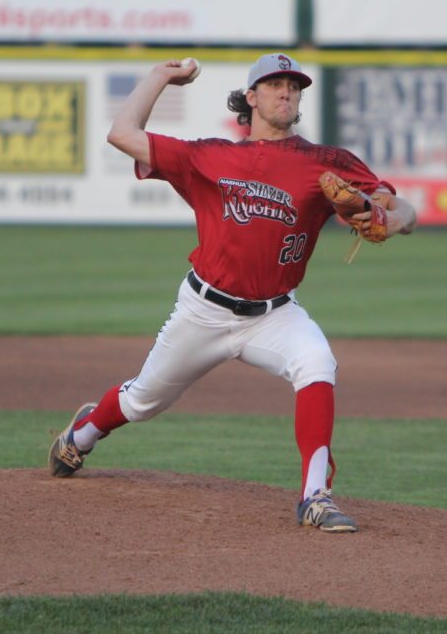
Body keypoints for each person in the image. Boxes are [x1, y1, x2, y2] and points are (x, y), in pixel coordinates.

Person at [48, 53, 417, 532]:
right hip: (203, 311)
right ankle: (83, 434)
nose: (286, 92)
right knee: (143, 401)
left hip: (274, 315)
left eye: (294, 86)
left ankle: (315, 497)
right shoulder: (209, 156)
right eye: (275, 84)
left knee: (317, 363)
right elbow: (122, 134)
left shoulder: (327, 162)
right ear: (251, 97)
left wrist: (391, 218)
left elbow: (402, 208)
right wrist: (160, 76)